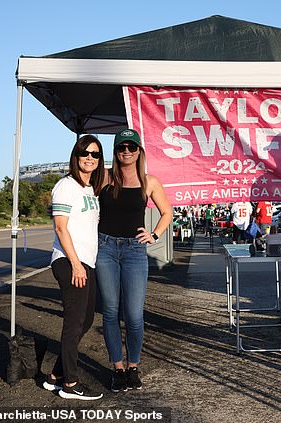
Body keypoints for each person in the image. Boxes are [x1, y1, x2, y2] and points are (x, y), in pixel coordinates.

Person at [95, 128, 172, 393]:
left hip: (134, 252)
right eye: (121, 148)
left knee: (135, 316)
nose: (126, 151)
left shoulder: (149, 181)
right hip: (105, 248)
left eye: (131, 147)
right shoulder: (104, 178)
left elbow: (167, 213)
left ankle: (133, 366)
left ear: (139, 151)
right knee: (110, 312)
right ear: (115, 152)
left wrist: (154, 234)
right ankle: (118, 369)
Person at [43, 135, 105, 400]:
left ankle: (56, 375)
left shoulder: (90, 189)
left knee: (87, 319)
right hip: (70, 262)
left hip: (85, 263)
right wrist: (76, 264)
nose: (90, 157)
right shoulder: (66, 186)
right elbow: (60, 227)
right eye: (85, 152)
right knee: (74, 322)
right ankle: (70, 384)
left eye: (95, 154)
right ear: (76, 155)